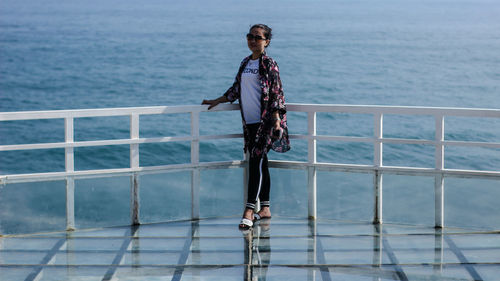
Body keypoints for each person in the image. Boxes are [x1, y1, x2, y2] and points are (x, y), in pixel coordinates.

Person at [202, 24, 290, 230]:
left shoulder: (269, 63)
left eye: (258, 37)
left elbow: (277, 92)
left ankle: (249, 210)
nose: (252, 40)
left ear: (267, 41)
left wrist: (276, 119)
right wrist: (218, 100)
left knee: (255, 162)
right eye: (249, 36)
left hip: (266, 121)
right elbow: (236, 88)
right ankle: (265, 207)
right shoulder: (245, 62)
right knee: (261, 162)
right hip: (249, 122)